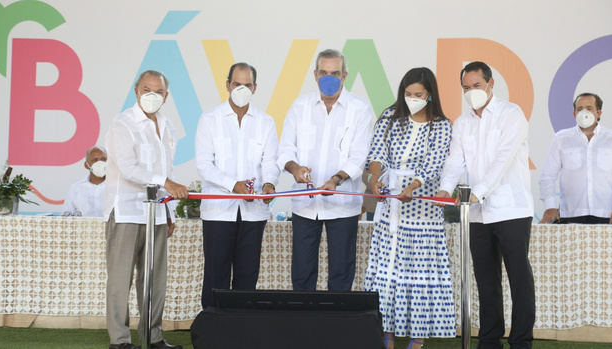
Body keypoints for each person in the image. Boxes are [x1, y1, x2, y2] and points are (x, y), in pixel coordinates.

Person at [436, 61, 535, 349]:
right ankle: (490, 340)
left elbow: (503, 160)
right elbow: (455, 161)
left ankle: (521, 342)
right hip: (477, 214)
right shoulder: (463, 122)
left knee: (519, 279)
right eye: (466, 88)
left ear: (491, 84)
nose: (471, 92)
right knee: (486, 279)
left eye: (476, 86)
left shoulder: (511, 114)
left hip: (511, 210)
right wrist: (444, 189)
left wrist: (477, 192)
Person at [364, 67, 455, 349]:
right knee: (388, 272)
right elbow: (376, 155)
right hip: (390, 203)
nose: (412, 98)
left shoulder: (441, 125)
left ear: (430, 96)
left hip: (421, 205)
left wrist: (412, 187)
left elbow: (434, 163)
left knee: (419, 274)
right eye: (408, 93)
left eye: (418, 94)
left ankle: (417, 339)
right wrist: (374, 180)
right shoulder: (390, 118)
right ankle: (387, 335)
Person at [104, 70, 188, 349]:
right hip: (127, 211)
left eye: (158, 91)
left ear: (166, 96)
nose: (152, 96)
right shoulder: (123, 124)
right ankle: (120, 341)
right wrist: (166, 182)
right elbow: (129, 168)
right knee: (121, 280)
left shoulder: (166, 125)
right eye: (146, 90)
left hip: (155, 213)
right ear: (136, 91)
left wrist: (168, 212)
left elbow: (166, 171)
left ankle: (153, 337)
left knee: (154, 280)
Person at [277, 49, 374, 291]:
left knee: (341, 272)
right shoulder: (300, 107)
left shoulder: (359, 109)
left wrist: (336, 179)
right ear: (315, 74)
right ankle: (302, 325)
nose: (328, 78)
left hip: (342, 204)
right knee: (302, 271)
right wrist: (294, 168)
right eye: (323, 73)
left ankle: (336, 325)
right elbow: (285, 150)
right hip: (305, 204)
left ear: (345, 75)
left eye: (335, 73)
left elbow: (359, 156)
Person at [195, 62, 279, 308]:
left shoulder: (265, 122)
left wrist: (270, 185)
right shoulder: (210, 119)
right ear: (227, 85)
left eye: (247, 85)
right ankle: (213, 331)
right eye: (236, 84)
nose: (241, 89)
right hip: (219, 211)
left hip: (253, 213)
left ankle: (241, 330)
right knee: (215, 275)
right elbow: (204, 164)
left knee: (247, 275)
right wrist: (234, 185)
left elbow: (271, 162)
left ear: (255, 88)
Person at [539, 93, 612, 224]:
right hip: (570, 214)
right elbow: (547, 176)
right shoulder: (561, 139)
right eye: (580, 109)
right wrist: (550, 207)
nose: (584, 112)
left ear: (599, 113)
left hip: (608, 214)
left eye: (589, 108)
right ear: (574, 114)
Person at [62, 146, 107, 217]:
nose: (100, 163)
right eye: (95, 160)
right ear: (87, 165)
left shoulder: (116, 186)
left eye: (103, 159)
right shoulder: (76, 188)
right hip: (83, 227)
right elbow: (67, 215)